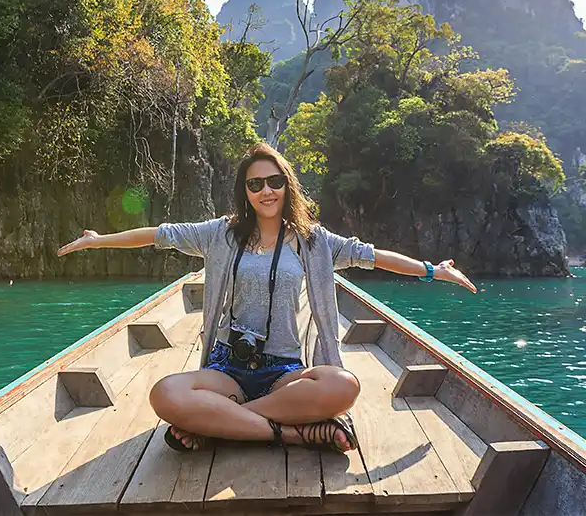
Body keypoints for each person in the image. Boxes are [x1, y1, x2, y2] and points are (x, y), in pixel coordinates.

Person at [58, 142, 476, 454]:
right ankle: (291, 432)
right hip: (229, 367)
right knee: (164, 394)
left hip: (283, 371)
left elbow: (373, 256)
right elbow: (158, 234)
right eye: (255, 184)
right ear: (246, 191)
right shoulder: (220, 233)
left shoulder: (315, 242)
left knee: (342, 385)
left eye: (274, 181)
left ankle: (219, 423)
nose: (266, 191)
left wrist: (432, 270)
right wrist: (98, 241)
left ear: (286, 184)